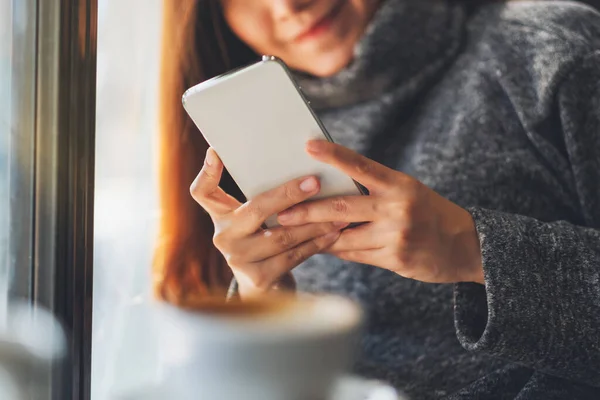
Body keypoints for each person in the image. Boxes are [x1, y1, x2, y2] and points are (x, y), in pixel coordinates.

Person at [154, 0, 600, 398]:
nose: (289, 5)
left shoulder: (548, 50)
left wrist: (470, 248)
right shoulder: (247, 144)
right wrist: (261, 300)